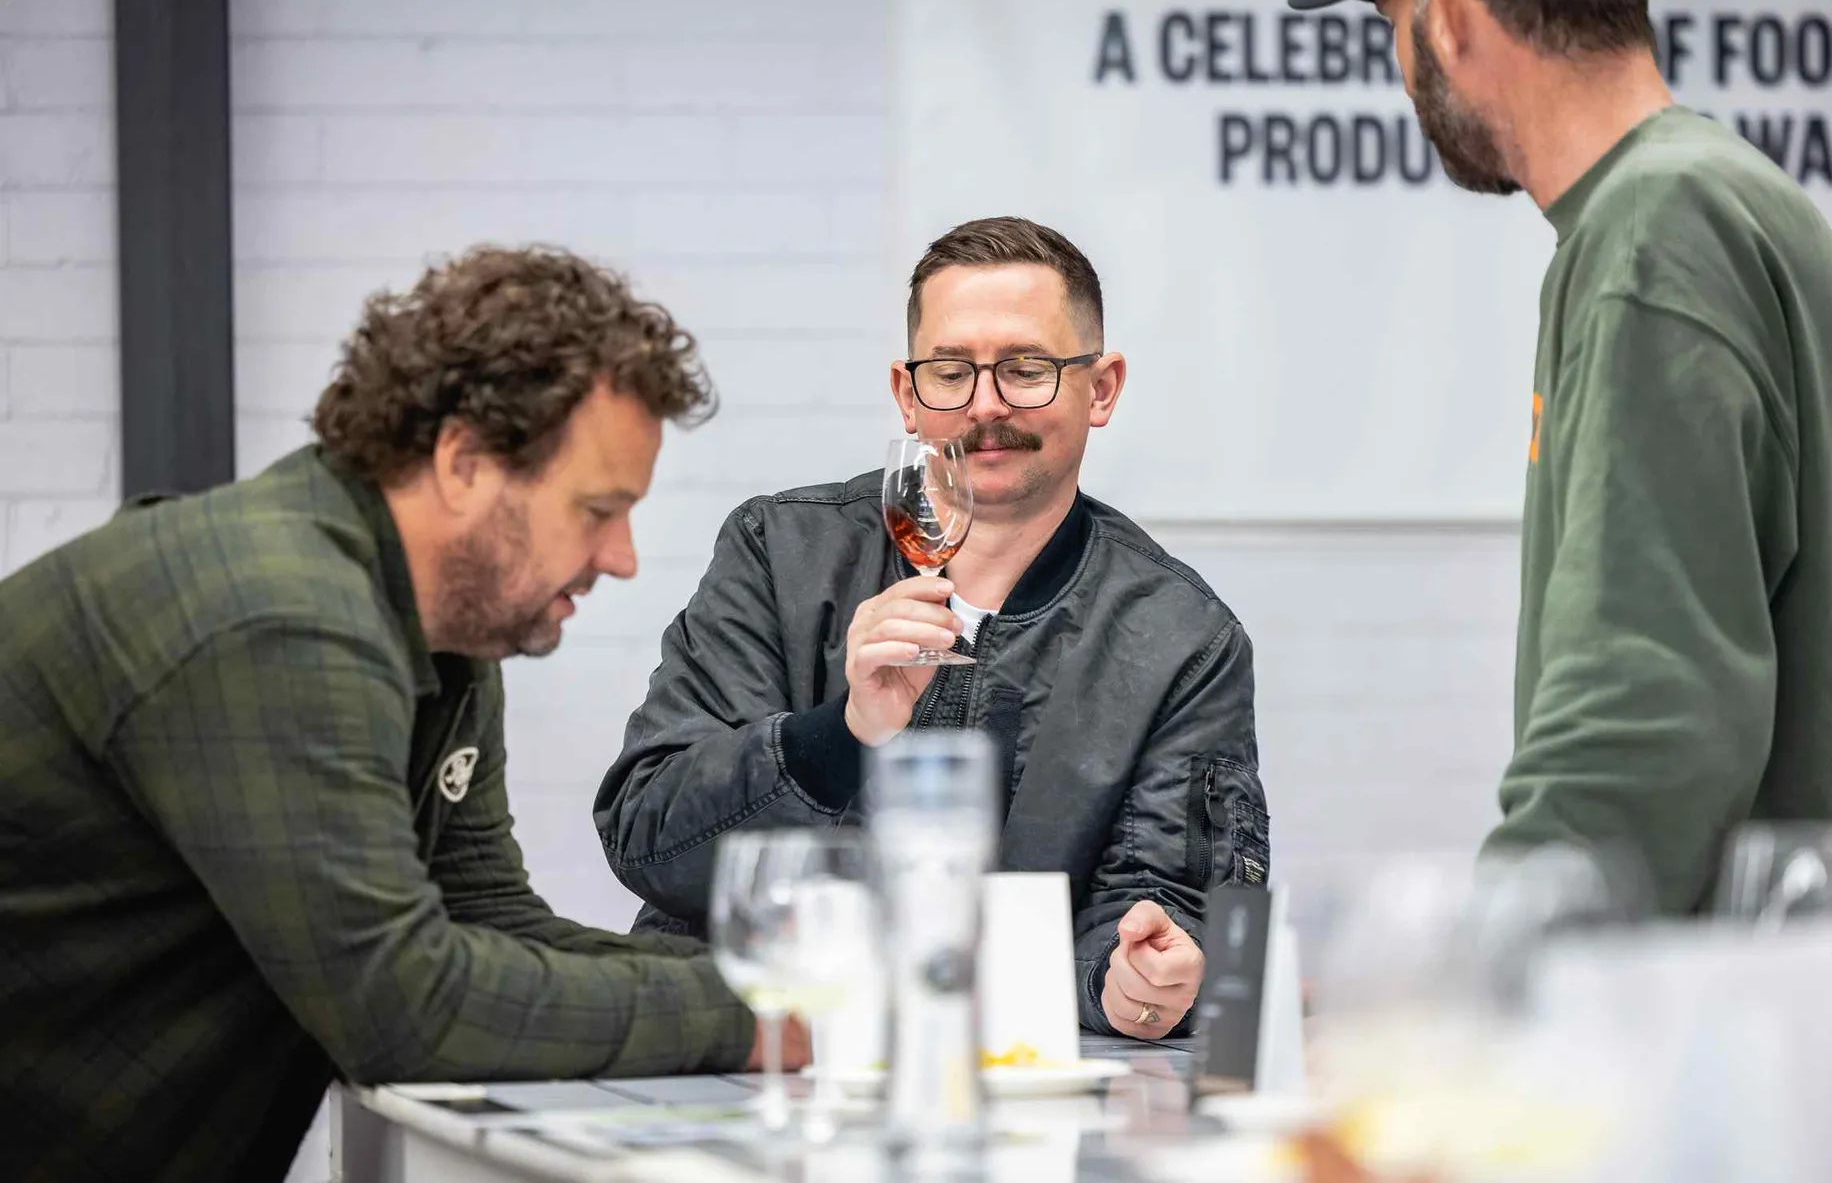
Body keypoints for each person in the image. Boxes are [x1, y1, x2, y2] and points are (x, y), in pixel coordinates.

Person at [0, 246, 792, 1183]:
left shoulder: (442, 630)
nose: (621, 557)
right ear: (462, 462)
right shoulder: (277, 614)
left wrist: (765, 995)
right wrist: (754, 1019)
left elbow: (486, 918)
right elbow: (402, 1008)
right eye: (597, 509)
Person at [1290, 0, 1832, 913]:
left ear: (1449, 15)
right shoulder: (1725, 197)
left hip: (1735, 1021)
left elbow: (1646, 710)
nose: (1402, 70)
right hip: (1812, 995)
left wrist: (1484, 989)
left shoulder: (1655, 227)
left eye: (1392, 24)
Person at [596, 217, 1269, 1037]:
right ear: (907, 395)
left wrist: (1132, 982)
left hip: (998, 1090)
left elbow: (1164, 905)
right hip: (744, 1058)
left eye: (1026, 368)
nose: (986, 406)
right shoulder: (780, 552)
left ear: (1102, 387)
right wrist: (837, 735)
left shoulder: (1181, 640)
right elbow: (647, 835)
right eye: (951, 372)